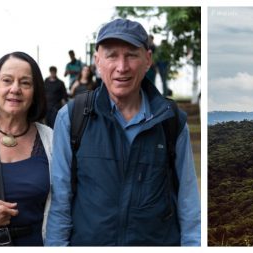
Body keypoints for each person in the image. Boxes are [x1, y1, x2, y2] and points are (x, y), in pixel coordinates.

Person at [46, 18, 200, 246]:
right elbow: (60, 201)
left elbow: (188, 202)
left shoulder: (171, 120)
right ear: (98, 61)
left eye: (131, 54)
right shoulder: (73, 118)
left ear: (147, 60)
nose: (122, 67)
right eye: (111, 55)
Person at [0, 52, 53, 246]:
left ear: (35, 91)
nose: (15, 89)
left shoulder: (51, 139)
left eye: (25, 83)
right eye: (7, 80)